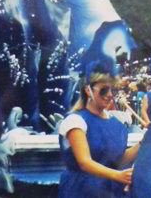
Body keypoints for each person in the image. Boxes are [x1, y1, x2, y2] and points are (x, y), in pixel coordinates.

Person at [58, 69, 141, 198]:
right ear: (88, 90)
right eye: (104, 90)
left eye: (113, 90)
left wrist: (142, 144)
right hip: (81, 191)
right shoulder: (75, 121)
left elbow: (118, 160)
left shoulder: (117, 123)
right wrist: (118, 175)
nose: (109, 95)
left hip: (110, 191)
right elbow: (84, 162)